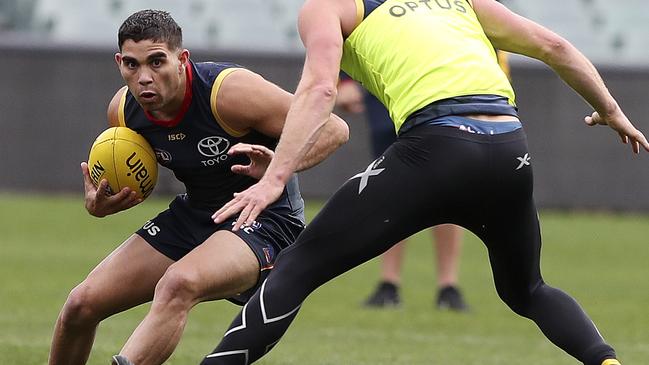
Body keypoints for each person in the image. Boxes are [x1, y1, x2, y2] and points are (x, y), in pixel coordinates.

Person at [207, 0, 649, 364]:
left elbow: (321, 91)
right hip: (509, 147)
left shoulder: (327, 7)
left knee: (298, 265)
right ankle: (607, 362)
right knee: (528, 290)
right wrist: (611, 110)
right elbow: (553, 45)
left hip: (436, 148)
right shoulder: (458, 1)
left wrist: (274, 179)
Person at [47, 9, 349, 365]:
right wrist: (104, 201)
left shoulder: (228, 93)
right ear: (119, 62)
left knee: (178, 283)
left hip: (263, 217)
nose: (144, 77)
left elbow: (333, 129)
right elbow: (133, 173)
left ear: (182, 59)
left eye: (157, 62)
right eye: (132, 65)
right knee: (80, 306)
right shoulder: (125, 112)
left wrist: (278, 169)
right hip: (195, 212)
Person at [336, 75, 467, 310]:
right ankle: (388, 283)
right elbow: (350, 38)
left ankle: (448, 286)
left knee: (449, 188)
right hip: (389, 89)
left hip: (443, 89)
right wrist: (344, 80)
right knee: (390, 187)